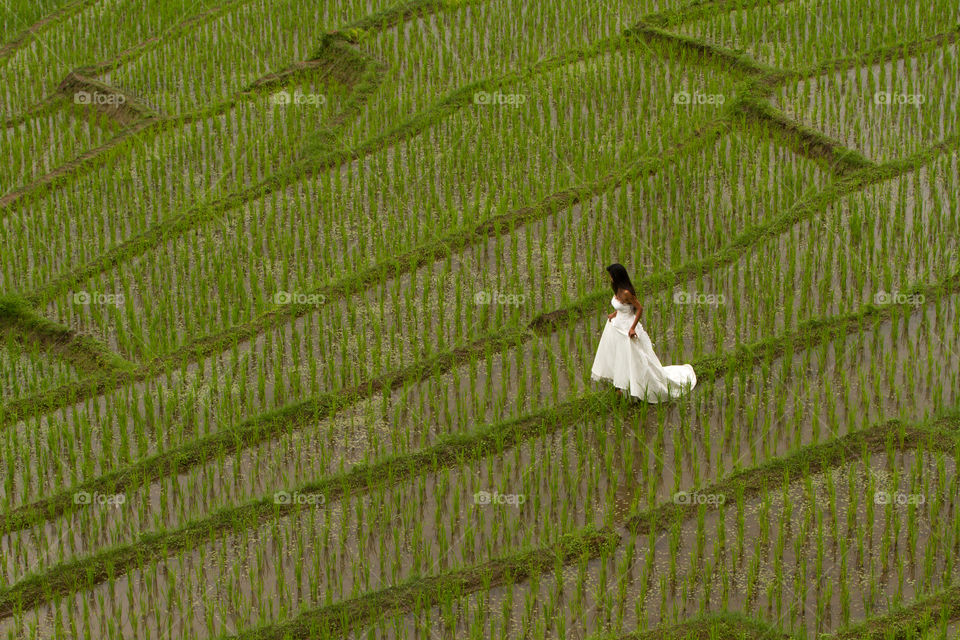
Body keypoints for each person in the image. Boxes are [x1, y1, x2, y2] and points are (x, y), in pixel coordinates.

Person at [590, 263, 696, 402]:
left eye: (611, 275)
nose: (609, 277)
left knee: (635, 358)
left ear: (617, 276)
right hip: (617, 326)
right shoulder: (616, 288)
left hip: (627, 328)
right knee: (619, 356)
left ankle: (638, 386)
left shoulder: (627, 292)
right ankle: (620, 386)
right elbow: (623, 308)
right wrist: (614, 314)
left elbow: (639, 309)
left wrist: (633, 328)